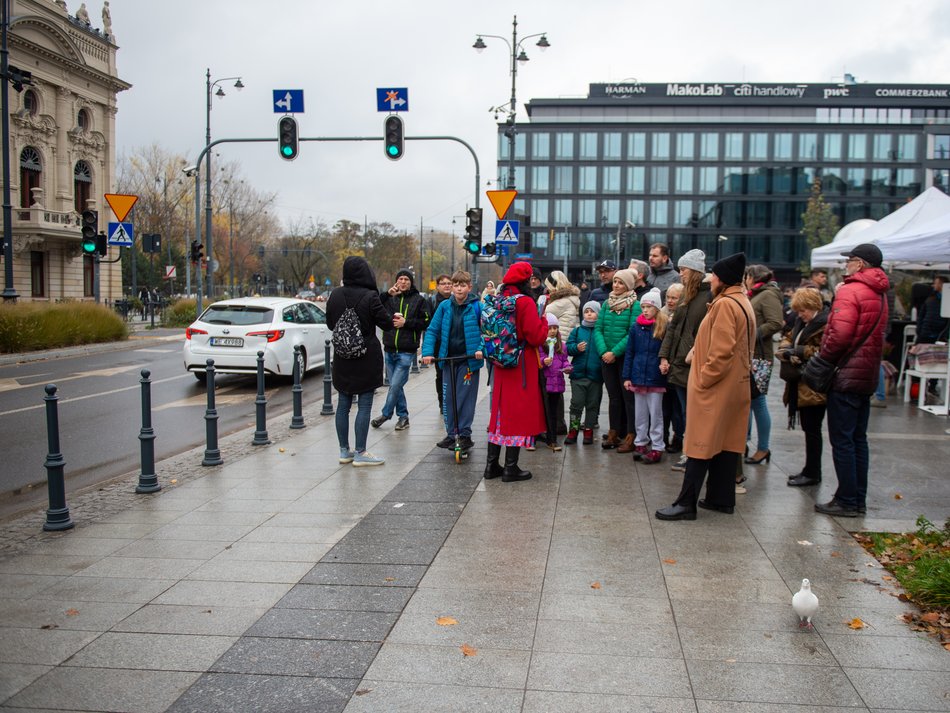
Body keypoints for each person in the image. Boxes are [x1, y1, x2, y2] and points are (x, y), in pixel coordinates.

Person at [656, 252, 753, 521]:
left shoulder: (724, 305)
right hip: (736, 386)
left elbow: (721, 353)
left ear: (721, 279)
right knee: (725, 444)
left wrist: (703, 380)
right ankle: (721, 499)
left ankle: (686, 504)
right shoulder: (741, 301)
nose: (711, 280)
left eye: (715, 277)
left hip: (718, 387)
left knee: (700, 444)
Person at [813, 243, 889, 517]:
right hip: (866, 374)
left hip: (845, 374)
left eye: (850, 260)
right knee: (858, 439)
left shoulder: (850, 290)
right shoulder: (880, 294)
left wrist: (825, 357)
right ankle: (857, 498)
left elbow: (840, 335)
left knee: (842, 439)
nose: (846, 265)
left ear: (861, 264)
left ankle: (846, 499)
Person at [484, 261, 550, 482]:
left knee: (500, 412)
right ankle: (511, 468)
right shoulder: (525, 302)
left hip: (501, 362)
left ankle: (491, 466)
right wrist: (543, 320)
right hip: (521, 364)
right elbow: (536, 337)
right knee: (518, 413)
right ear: (526, 280)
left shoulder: (500, 299)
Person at [326, 257, 394, 467]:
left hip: (342, 357)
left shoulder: (335, 295)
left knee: (343, 404)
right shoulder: (370, 296)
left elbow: (330, 324)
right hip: (366, 357)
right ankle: (361, 452)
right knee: (364, 405)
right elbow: (386, 323)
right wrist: (395, 319)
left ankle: (343, 451)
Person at [658, 249, 711, 472]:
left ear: (696, 271)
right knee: (684, 411)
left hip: (693, 365)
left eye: (684, 270)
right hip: (678, 365)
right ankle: (688, 453)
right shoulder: (686, 298)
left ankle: (692, 454)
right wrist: (664, 356)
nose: (681, 274)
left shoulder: (708, 296)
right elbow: (672, 330)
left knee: (692, 413)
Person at [421, 270, 484, 451]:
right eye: (455, 285)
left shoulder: (476, 306)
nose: (458, 288)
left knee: (464, 398)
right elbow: (432, 330)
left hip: (468, 361)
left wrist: (480, 349)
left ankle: (464, 434)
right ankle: (451, 433)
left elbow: (486, 332)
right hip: (448, 360)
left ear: (469, 287)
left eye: (462, 285)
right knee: (448, 398)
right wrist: (427, 352)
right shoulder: (445, 307)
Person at [776, 288, 829, 487]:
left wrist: (797, 351)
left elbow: (822, 350)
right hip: (801, 382)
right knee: (809, 429)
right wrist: (786, 348)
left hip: (814, 384)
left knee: (812, 429)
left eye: (803, 310)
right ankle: (809, 469)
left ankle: (813, 472)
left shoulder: (823, 324)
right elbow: (788, 337)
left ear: (813, 307)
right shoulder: (803, 322)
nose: (800, 315)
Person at [372, 269, 431, 431]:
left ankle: (385, 414)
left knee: (395, 385)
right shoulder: (390, 298)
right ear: (396, 281)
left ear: (411, 282)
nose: (403, 282)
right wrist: (386, 295)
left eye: (406, 279)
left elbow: (426, 321)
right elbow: (373, 307)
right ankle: (403, 417)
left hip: (407, 350)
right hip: (389, 348)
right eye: (400, 279)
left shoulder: (419, 300)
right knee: (395, 386)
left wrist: (407, 323)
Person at [594, 268, 641, 451]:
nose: (616, 285)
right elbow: (598, 328)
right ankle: (614, 432)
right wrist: (604, 351)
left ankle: (630, 434)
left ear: (628, 285)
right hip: (606, 358)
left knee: (628, 397)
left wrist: (614, 352)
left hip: (623, 358)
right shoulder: (607, 303)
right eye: (615, 281)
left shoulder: (634, 305)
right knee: (613, 397)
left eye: (621, 282)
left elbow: (632, 333)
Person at [744, 264, 784, 466]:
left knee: (757, 401)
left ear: (752, 276)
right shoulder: (757, 294)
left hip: (760, 356)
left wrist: (754, 333)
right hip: (752, 354)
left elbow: (776, 322)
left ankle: (763, 448)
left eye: (747, 276)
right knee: (748, 401)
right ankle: (745, 442)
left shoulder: (767, 295)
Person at [622, 288, 668, 464]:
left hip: (655, 376)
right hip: (638, 375)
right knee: (640, 413)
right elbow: (630, 353)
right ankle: (640, 442)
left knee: (655, 413)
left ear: (656, 308)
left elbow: (665, 350)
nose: (645, 310)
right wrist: (627, 376)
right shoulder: (635, 327)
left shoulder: (662, 327)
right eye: (643, 307)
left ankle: (657, 446)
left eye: (649, 307)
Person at [544, 270, 580, 434]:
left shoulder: (558, 303)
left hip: (553, 346)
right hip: (562, 345)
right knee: (557, 387)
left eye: (548, 287)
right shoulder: (572, 300)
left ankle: (554, 424)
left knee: (550, 389)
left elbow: (543, 318)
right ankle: (559, 423)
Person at [566, 301, 604, 445]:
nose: (589, 314)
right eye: (586, 311)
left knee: (592, 405)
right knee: (576, 404)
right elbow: (568, 348)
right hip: (578, 376)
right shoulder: (577, 331)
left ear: (598, 314)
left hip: (595, 376)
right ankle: (573, 430)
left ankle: (588, 431)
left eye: (592, 311)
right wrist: (576, 348)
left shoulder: (601, 332)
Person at [660, 282, 684, 452]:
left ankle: (678, 437)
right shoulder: (661, 313)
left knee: (678, 408)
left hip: (677, 368)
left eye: (674, 298)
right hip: (662, 366)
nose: (670, 301)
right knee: (664, 407)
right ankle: (662, 437)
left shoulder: (684, 315)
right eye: (668, 297)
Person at [541, 313, 571, 451]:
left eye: (555, 328)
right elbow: (539, 358)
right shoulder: (541, 344)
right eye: (550, 328)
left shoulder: (562, 345)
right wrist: (543, 361)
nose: (553, 330)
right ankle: (542, 436)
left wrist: (567, 367)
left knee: (554, 412)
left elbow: (564, 359)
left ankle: (552, 439)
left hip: (557, 383)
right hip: (545, 382)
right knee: (544, 411)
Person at [427, 275, 454, 412]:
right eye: (443, 283)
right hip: (439, 344)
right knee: (441, 374)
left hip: (454, 343)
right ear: (437, 286)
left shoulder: (457, 300)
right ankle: (442, 403)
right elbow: (429, 326)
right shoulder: (432, 302)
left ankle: (452, 400)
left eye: (449, 283)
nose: (447, 286)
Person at [916, 275, 948, 344]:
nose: (933, 285)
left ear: (941, 284)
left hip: (939, 335)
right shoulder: (930, 298)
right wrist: (919, 330)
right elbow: (921, 314)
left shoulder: (946, 300)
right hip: (925, 333)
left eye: (935, 283)